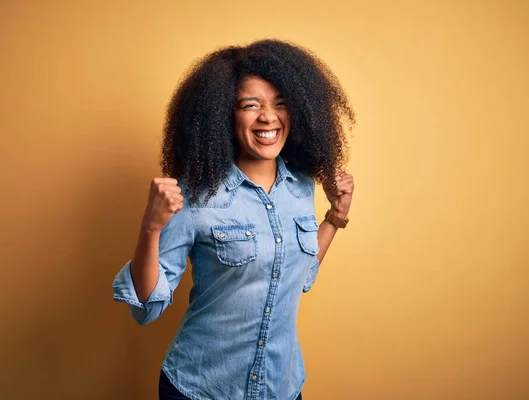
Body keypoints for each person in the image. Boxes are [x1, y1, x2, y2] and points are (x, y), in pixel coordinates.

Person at [112, 39, 355, 400]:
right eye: (250, 106)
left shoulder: (302, 187)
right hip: (202, 388)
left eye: (280, 105)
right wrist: (151, 227)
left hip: (281, 386)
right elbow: (145, 308)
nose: (268, 117)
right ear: (224, 115)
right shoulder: (195, 196)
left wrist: (335, 217)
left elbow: (298, 274)